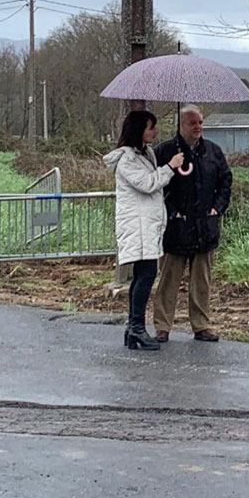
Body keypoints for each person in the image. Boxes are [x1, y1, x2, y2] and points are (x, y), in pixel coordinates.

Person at [102, 110, 185, 350]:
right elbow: (148, 184)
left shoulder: (145, 153)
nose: (155, 131)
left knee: (143, 274)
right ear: (139, 129)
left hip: (146, 223)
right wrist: (170, 167)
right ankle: (136, 327)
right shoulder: (127, 159)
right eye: (151, 127)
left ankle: (133, 328)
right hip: (137, 225)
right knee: (146, 274)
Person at [152, 105, 233, 343]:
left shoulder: (213, 152)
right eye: (192, 123)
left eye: (200, 122)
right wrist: (171, 212)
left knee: (202, 281)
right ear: (181, 125)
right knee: (169, 280)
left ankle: (201, 325)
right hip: (175, 229)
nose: (197, 127)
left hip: (204, 227)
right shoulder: (165, 151)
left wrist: (217, 208)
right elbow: (155, 187)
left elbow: (225, 181)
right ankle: (162, 326)